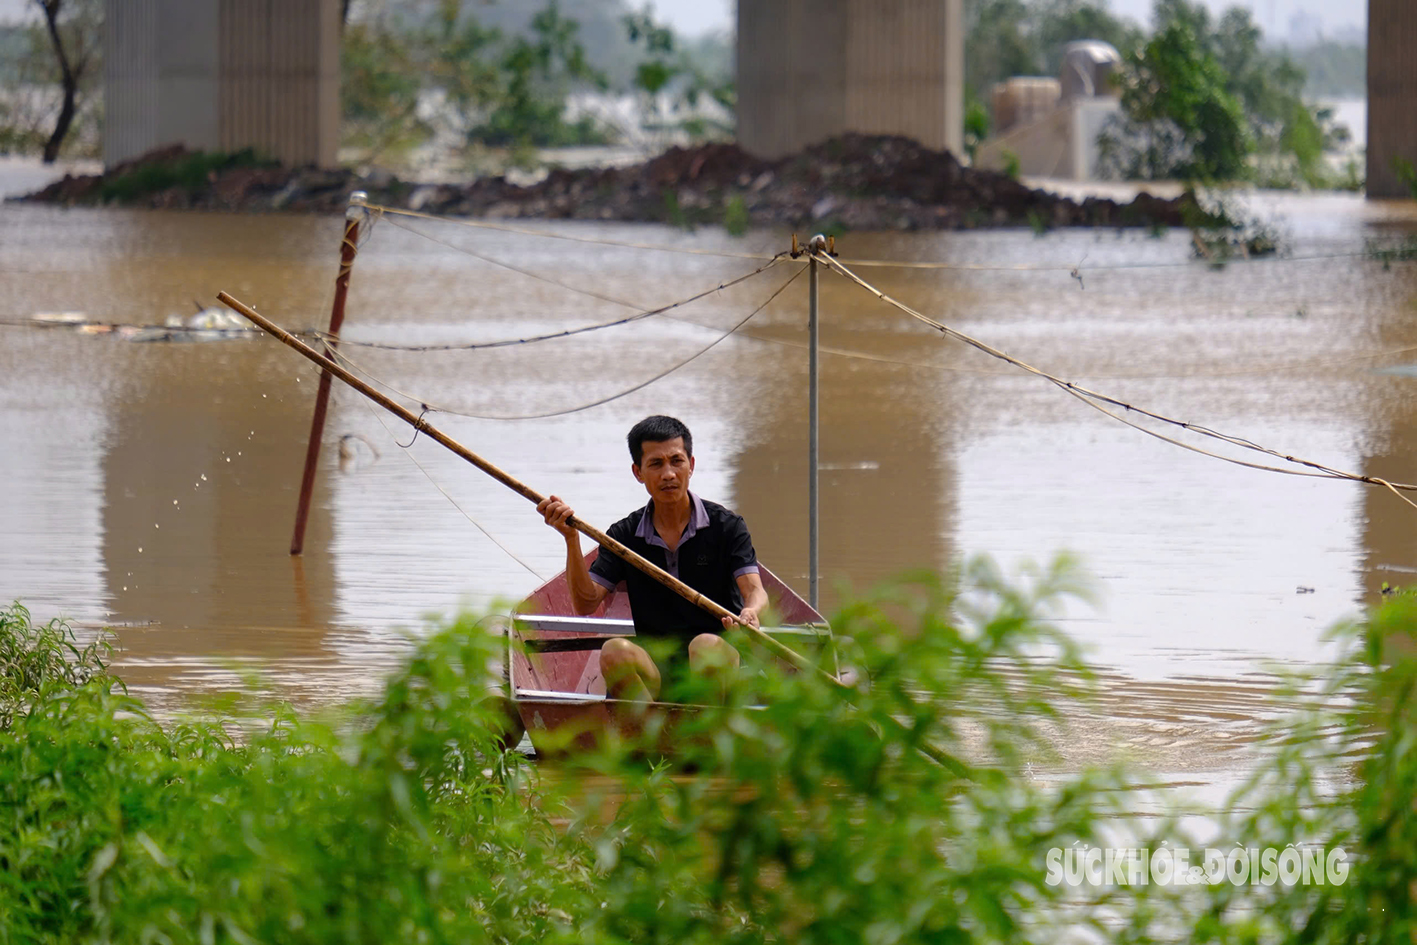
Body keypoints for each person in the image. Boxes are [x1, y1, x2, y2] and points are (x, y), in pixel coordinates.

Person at [536, 415, 768, 702]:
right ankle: (650, 736)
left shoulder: (727, 526)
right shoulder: (624, 536)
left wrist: (752, 611)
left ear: (691, 465)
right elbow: (586, 603)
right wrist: (571, 540)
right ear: (638, 472)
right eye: (656, 464)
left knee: (705, 645)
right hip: (654, 672)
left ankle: (703, 738)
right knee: (614, 651)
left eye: (677, 461)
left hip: (719, 663)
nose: (668, 474)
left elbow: (754, 591)